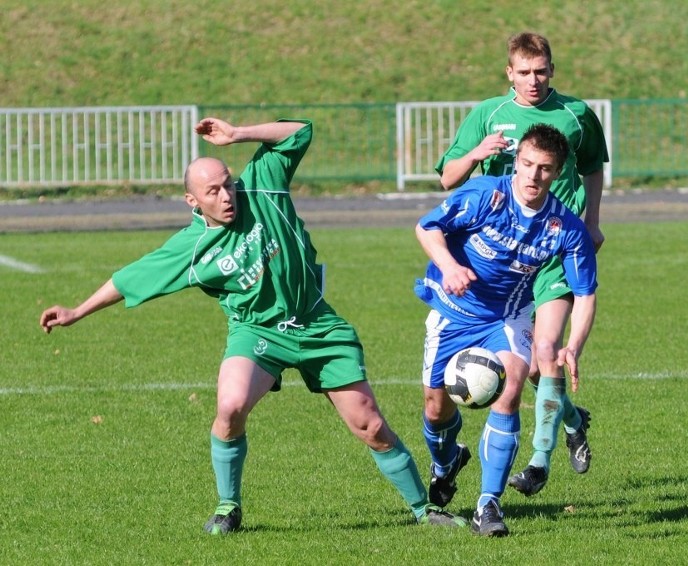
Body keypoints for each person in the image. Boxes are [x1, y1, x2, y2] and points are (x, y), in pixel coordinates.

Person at [39, 117, 466, 534]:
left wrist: (239, 134)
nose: (227, 194)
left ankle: (423, 509)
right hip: (258, 333)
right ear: (193, 202)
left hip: (319, 326)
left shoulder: (261, 183)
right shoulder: (192, 248)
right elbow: (130, 277)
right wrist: (78, 310)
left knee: (370, 425)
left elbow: (300, 131)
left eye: (227, 182)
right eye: (213, 191)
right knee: (230, 406)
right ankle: (228, 506)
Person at [434, 32, 609, 497]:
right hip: (498, 263)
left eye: (542, 71)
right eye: (524, 72)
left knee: (546, 353)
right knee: (533, 370)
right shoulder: (488, 115)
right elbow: (448, 178)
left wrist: (591, 220)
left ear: (552, 70)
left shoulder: (575, 115)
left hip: (552, 250)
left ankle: (536, 463)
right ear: (509, 72)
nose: (534, 81)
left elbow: (594, 166)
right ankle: (573, 421)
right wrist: (476, 153)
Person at [416, 123, 598, 536]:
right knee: (434, 407)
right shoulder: (486, 196)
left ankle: (488, 505)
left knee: (511, 390)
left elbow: (585, 294)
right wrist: (449, 266)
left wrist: (574, 345)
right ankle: (446, 463)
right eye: (528, 164)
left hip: (507, 317)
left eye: (545, 168)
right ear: (516, 161)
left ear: (557, 173)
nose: (533, 176)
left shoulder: (566, 228)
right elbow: (427, 228)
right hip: (452, 312)